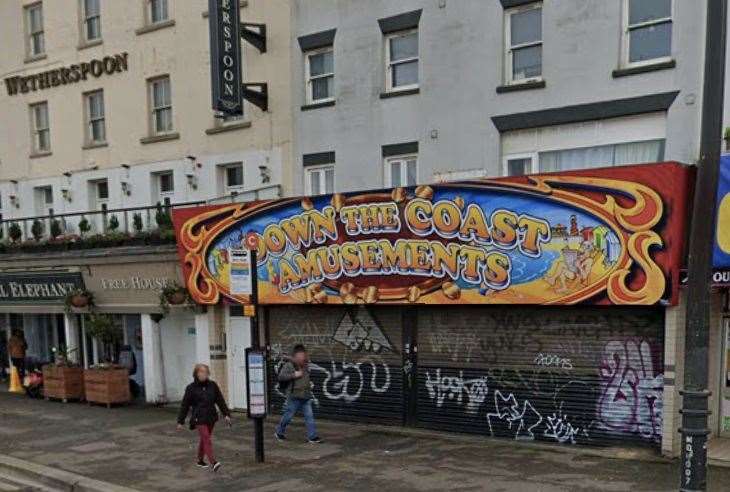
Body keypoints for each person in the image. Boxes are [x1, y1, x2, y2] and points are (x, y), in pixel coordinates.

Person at [176, 364, 231, 472]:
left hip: (211, 417)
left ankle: (200, 460)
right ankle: (213, 462)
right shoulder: (191, 388)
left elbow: (220, 400)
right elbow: (185, 405)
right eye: (201, 372)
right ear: (196, 374)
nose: (203, 374)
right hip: (199, 418)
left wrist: (226, 414)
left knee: (204, 439)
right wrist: (180, 421)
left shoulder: (212, 385)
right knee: (206, 438)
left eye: (205, 372)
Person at [274, 344, 322, 443]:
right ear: (295, 356)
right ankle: (279, 432)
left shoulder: (306, 365)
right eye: (300, 356)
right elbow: (281, 377)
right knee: (288, 416)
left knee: (309, 416)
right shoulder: (289, 365)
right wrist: (294, 375)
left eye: (303, 355)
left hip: (305, 396)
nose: (302, 357)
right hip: (294, 396)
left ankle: (312, 437)